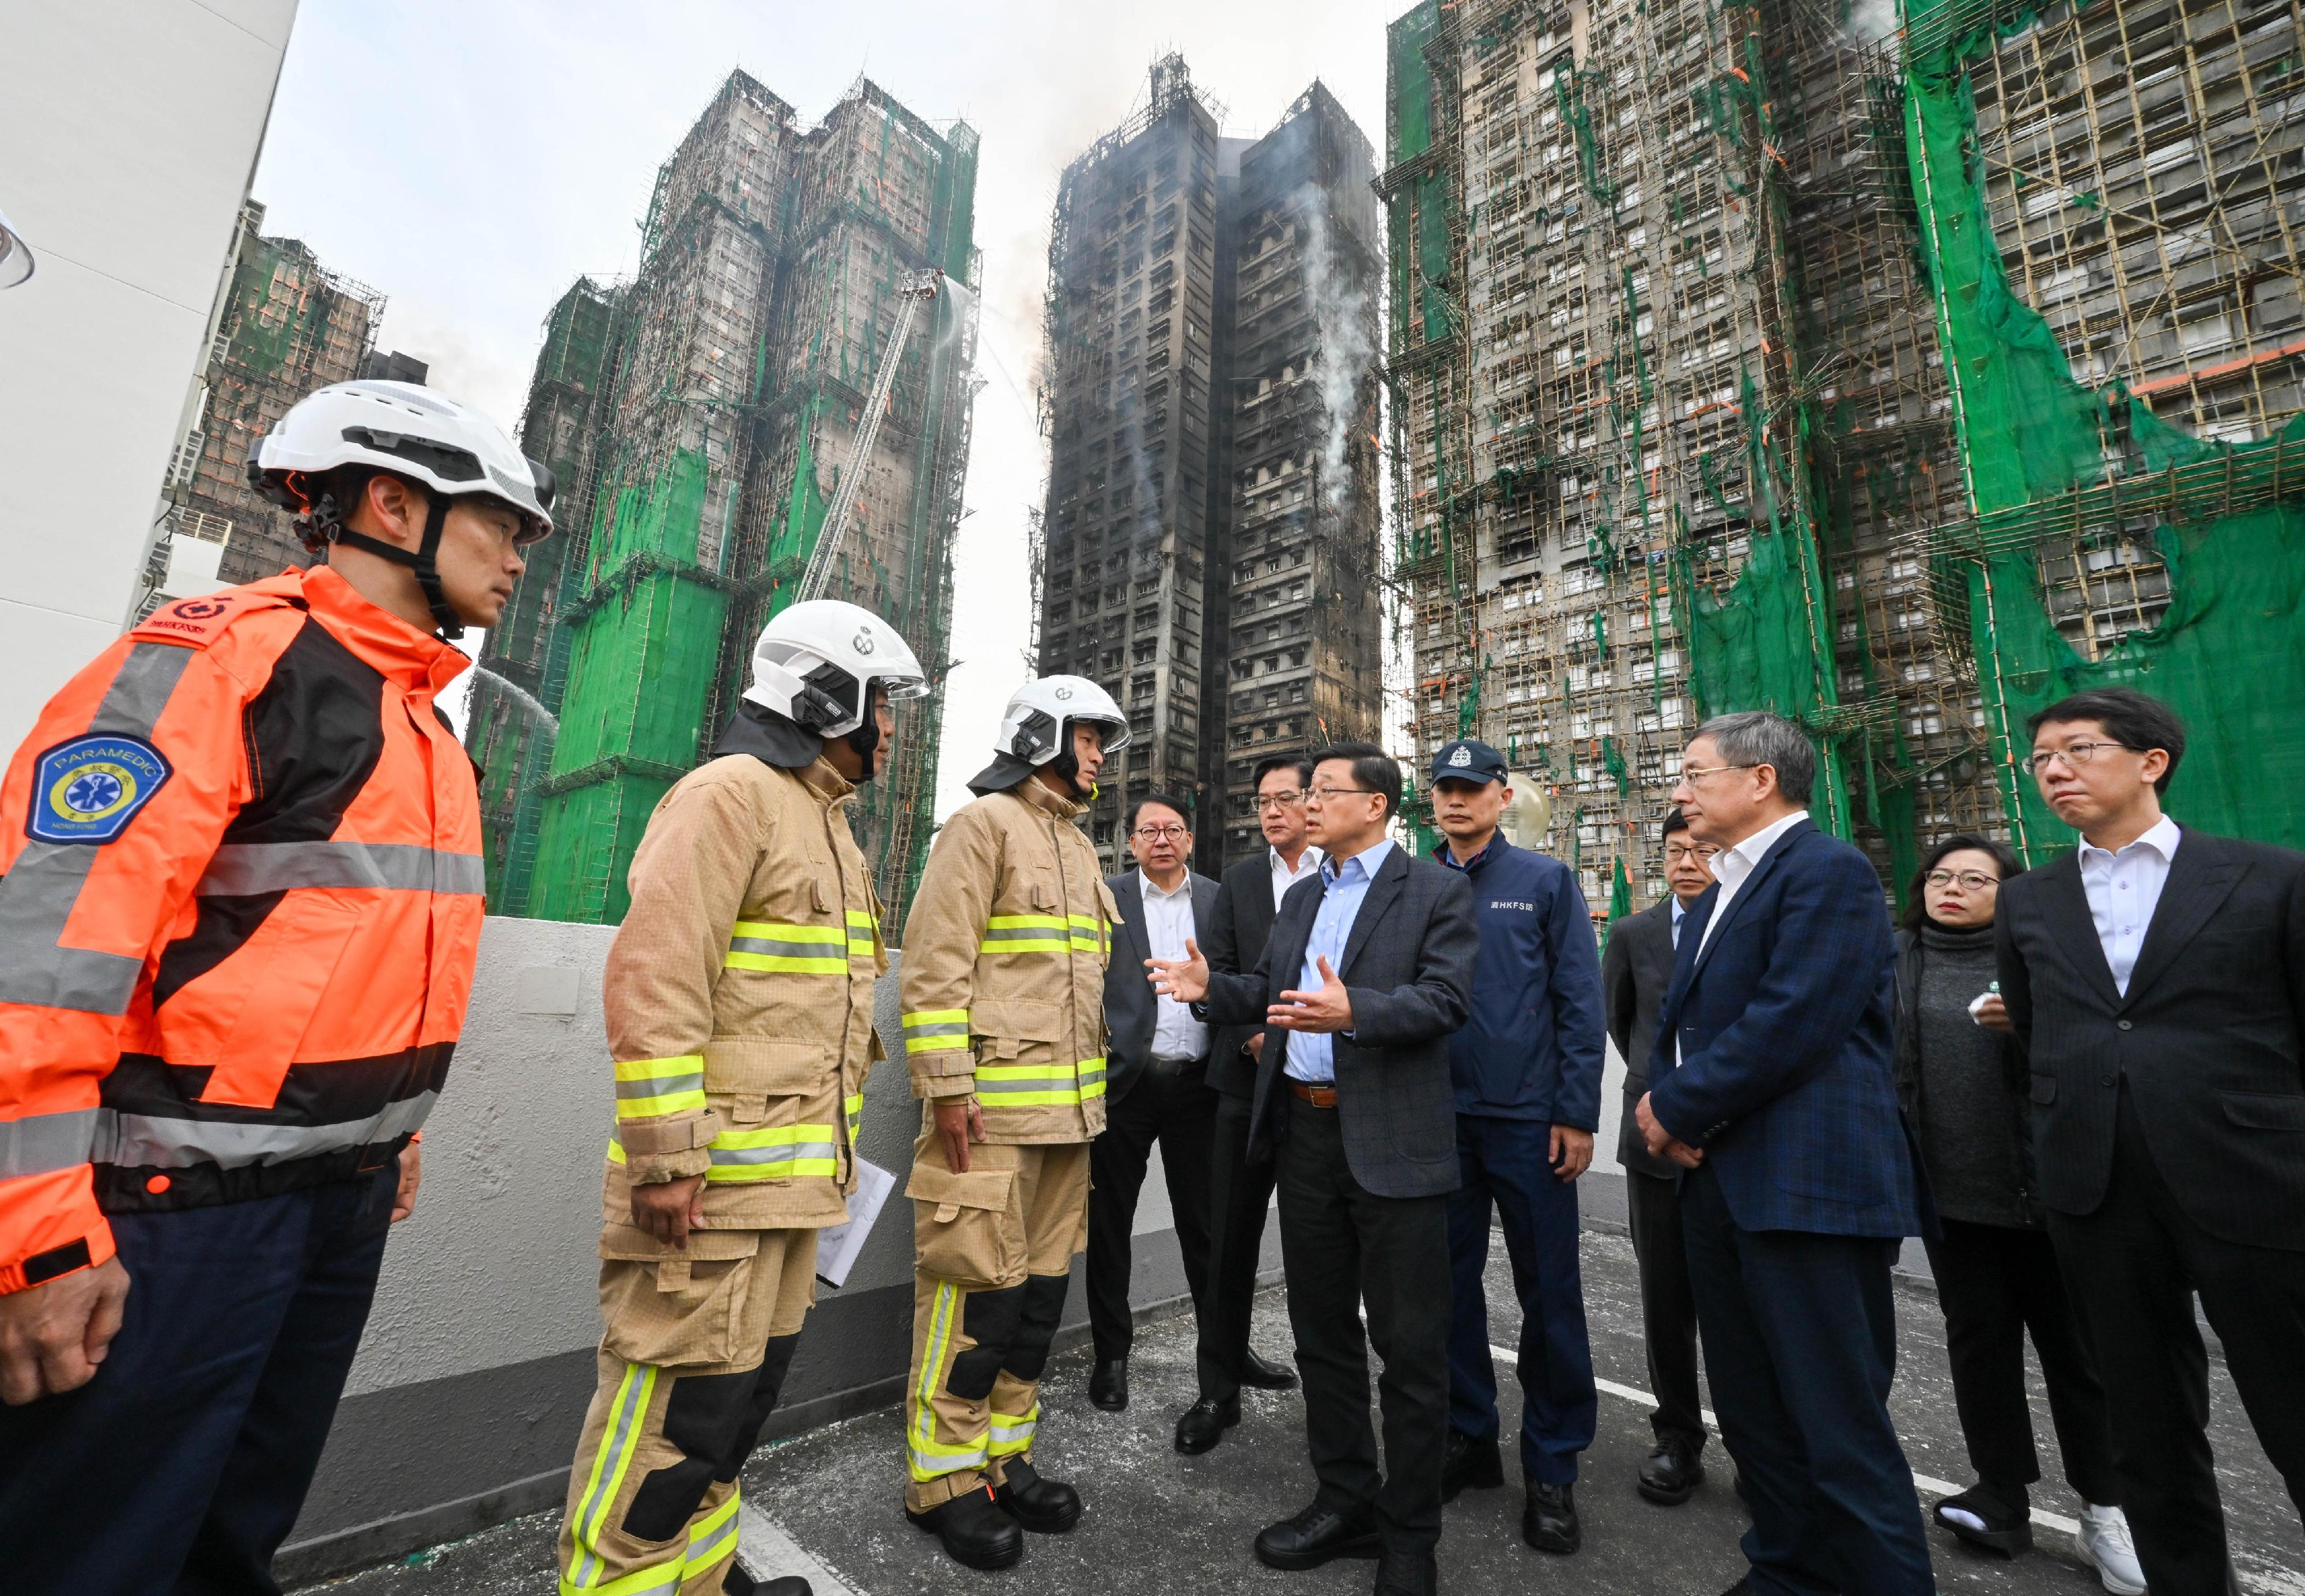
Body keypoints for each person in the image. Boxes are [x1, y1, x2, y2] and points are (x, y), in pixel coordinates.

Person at [0, 379, 553, 1591]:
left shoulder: (424, 722)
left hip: (332, 1205)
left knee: (232, 1539)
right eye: (503, 523)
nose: (519, 556)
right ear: (396, 503)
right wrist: (34, 1238)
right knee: (91, 1548)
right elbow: (42, 952)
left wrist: (389, 1125)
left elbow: (347, 951)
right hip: (172, 1214)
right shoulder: (223, 658)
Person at [554, 601, 927, 1596]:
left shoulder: (822, 823)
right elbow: (657, 983)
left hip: (789, 1193)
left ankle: (704, 1582)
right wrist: (667, 1158)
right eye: (879, 704)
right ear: (828, 696)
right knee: (664, 1432)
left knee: (727, 1416)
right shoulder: (728, 796)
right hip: (710, 1191)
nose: (888, 727)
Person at [1996, 687, 2305, 1596]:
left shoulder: (2267, 877)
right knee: (2146, 1420)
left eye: (2078, 749)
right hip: (2096, 1187)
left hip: (2251, 1176)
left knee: (2293, 1402)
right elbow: (2034, 1036)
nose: (2055, 769)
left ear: (2150, 761)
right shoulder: (2027, 900)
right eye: (2041, 758)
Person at [1150, 742, 1478, 1596]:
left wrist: (1354, 1010)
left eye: (1325, 790)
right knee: (1322, 1330)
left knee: (1409, 1346)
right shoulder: (1303, 895)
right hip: (1301, 1135)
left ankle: (1409, 1534)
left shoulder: (1436, 889)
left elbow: (1448, 1001)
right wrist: (1207, 985)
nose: (1308, 800)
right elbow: (1265, 985)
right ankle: (1345, 1496)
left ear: (1376, 805)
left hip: (1393, 1147)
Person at [1635, 710, 1934, 1596]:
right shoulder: (1723, 885)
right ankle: (1791, 1568)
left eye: (1693, 773)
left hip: (1806, 1187)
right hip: (1724, 1179)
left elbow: (1794, 1020)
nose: (1679, 791)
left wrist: (1671, 1105)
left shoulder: (1827, 870)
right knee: (1756, 1413)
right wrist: (1680, 1111)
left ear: (1760, 778)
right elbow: (1686, 1024)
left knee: (1835, 1421)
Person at [894, 676, 1131, 1571]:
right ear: (1041, 735)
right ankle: (942, 1481)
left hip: (1067, 1125)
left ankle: (1002, 1456)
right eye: (1088, 737)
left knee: (1033, 1306)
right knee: (972, 1304)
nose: (1100, 757)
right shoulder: (982, 826)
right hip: (988, 1122)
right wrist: (948, 1088)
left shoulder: (1074, 847)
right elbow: (934, 965)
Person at [1892, 832, 2141, 1592]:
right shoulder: (1898, 957)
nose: (1953, 888)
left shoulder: (2045, 957)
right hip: (1953, 1200)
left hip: (2048, 1198)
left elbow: (2111, 1049)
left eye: (1976, 877)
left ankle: (2107, 1506)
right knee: (1979, 1344)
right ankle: (2000, 1493)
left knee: (2078, 1354)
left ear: (2012, 892)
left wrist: (2033, 1023)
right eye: (1941, 875)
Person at [1426, 739, 1605, 1556]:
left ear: (1504, 797)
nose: (1456, 801)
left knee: (1550, 1297)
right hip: (1438, 1123)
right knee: (1448, 1292)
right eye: (1444, 789)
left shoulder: (1544, 882)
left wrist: (1574, 1111)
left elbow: (1579, 1002)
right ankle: (1470, 1437)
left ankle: (1553, 1464)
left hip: (1529, 1123)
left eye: (1473, 788)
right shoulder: (1416, 880)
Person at [1177, 754, 1313, 1455]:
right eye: (1261, 800)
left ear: (1314, 800)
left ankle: (1330, 1400)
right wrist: (1257, 1033)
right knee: (1226, 1243)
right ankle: (1216, 1391)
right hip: (1240, 1087)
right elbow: (1219, 976)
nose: (1270, 810)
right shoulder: (1239, 881)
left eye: (1284, 797)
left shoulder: (1342, 878)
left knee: (1320, 1252)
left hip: (1323, 1098)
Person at [1085, 792, 1219, 1415]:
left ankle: (1220, 1359)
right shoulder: (1104, 897)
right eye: (1148, 830)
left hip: (1199, 1087)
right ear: (1131, 842)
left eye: (1172, 829)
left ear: (1188, 840)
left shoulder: (1219, 901)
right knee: (1110, 1226)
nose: (1161, 839)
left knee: (1208, 1228)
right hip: (1126, 1086)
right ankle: (1111, 1356)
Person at [1600, 807, 1717, 1507]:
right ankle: (1677, 1434)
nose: (1686, 863)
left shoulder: (1749, 923)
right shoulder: (1634, 934)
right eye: (1675, 851)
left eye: (1702, 850)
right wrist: (1658, 1096)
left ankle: (1761, 1442)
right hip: (1652, 1144)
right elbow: (1622, 1024)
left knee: (1741, 1305)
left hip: (1734, 1147)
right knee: (1664, 1300)